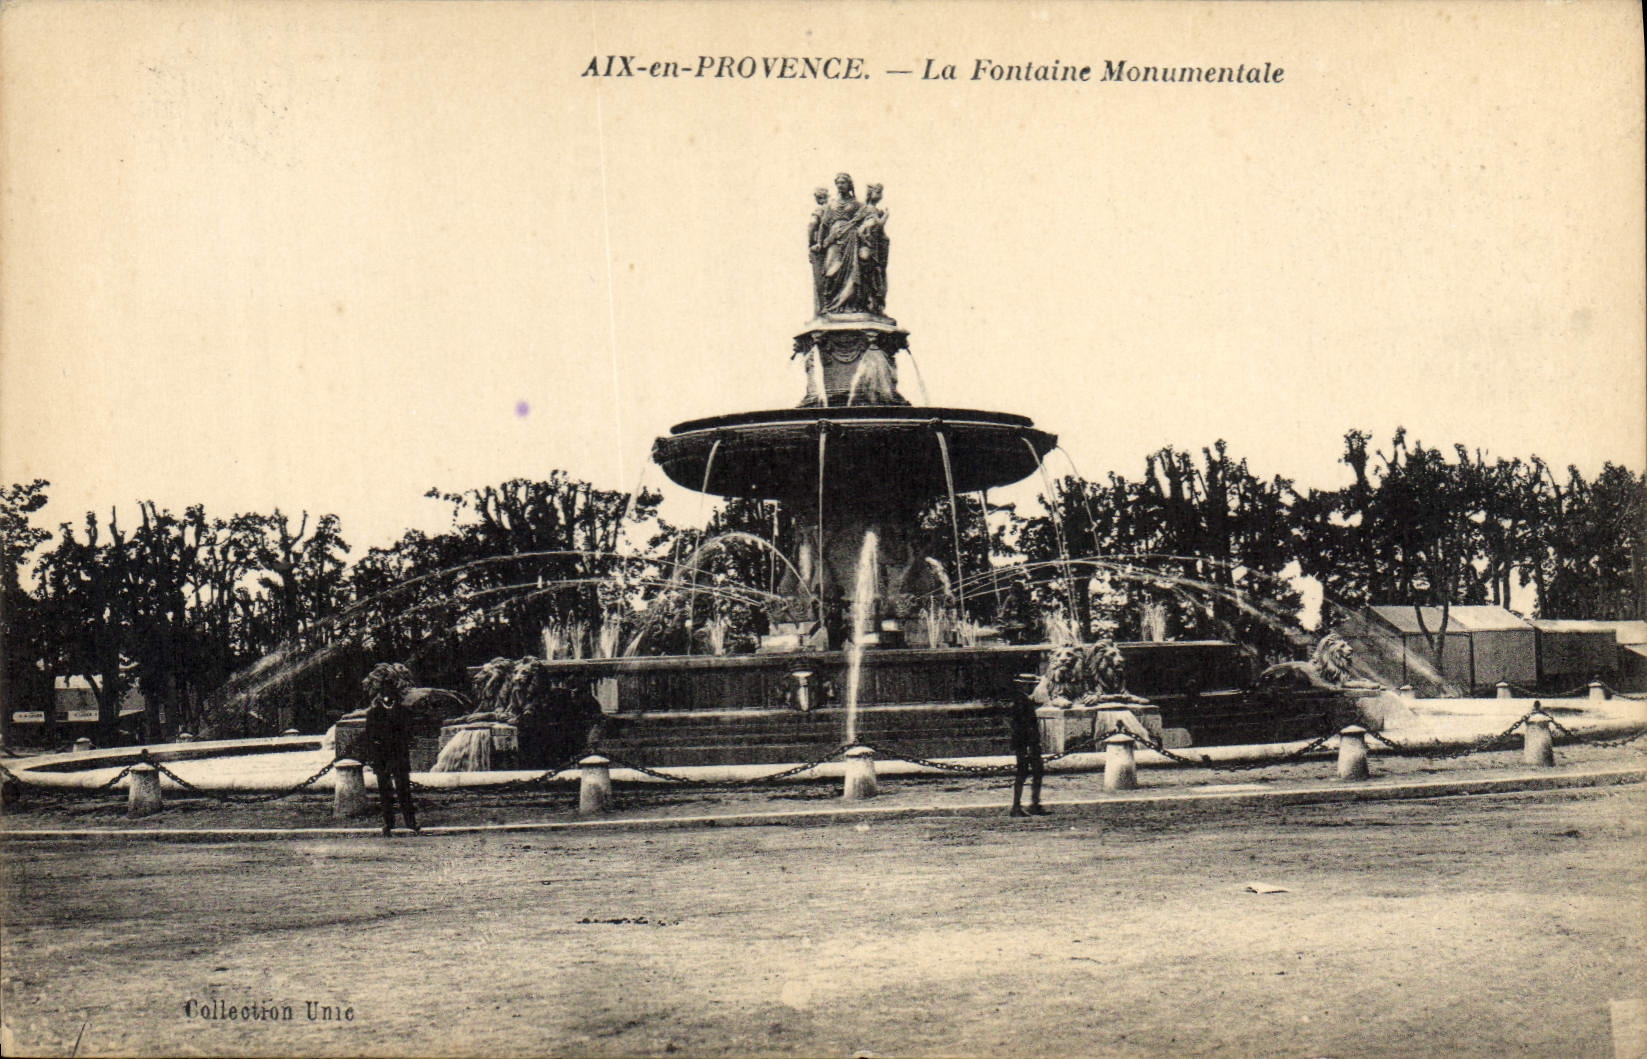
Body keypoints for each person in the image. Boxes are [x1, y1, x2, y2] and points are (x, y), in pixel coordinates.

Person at [362, 662, 420, 836]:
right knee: (385, 794)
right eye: (384, 692)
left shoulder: (402, 711)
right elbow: (370, 737)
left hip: (399, 756)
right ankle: (389, 823)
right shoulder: (373, 713)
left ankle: (411, 822)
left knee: (404, 791)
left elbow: (408, 734)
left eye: (390, 692)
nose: (387, 695)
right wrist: (373, 757)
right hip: (382, 757)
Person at [1008, 677, 1048, 817]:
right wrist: (1027, 748)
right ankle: (1017, 806)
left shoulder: (1024, 700)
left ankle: (1034, 804)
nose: (1031, 688)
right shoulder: (1021, 701)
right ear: (1022, 686)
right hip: (1026, 744)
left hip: (1029, 744)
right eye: (1029, 685)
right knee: (1023, 774)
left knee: (1037, 773)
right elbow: (1021, 727)